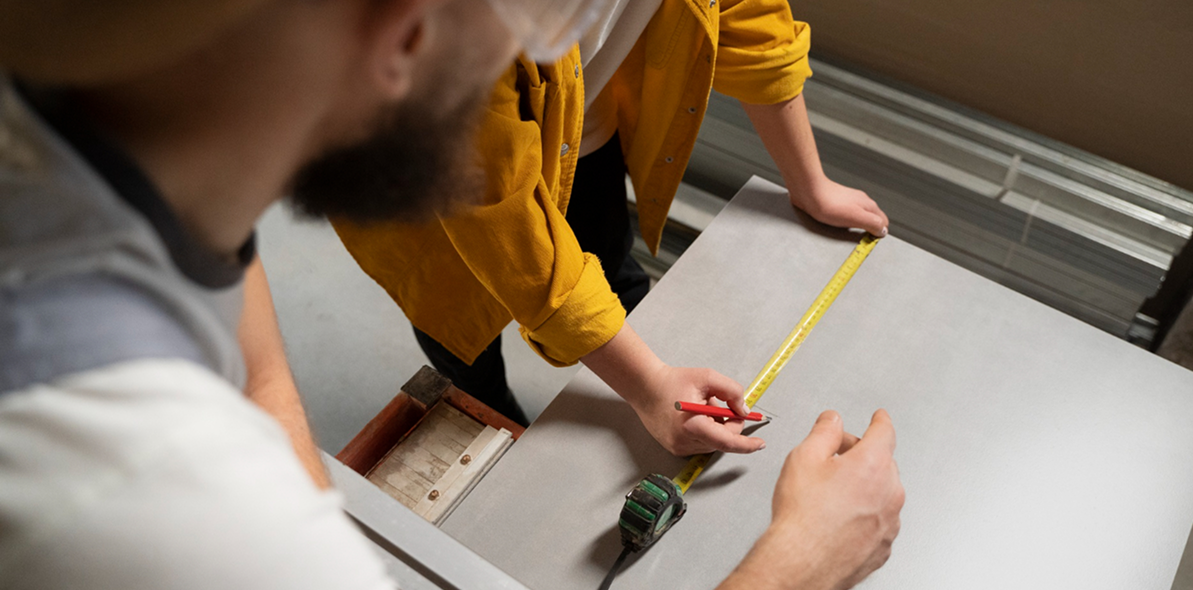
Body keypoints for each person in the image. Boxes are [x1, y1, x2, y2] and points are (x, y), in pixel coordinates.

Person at [0, 1, 903, 589]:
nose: (557, 67)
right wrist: (803, 560)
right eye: (548, 27)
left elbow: (240, 310)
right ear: (405, 33)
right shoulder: (158, 502)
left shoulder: (119, 141)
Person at [330, 0, 892, 465]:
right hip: (419, 185)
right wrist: (648, 386)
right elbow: (498, 212)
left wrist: (809, 181)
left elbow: (745, 13)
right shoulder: (450, 20)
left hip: (577, 125)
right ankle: (492, 420)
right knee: (462, 327)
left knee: (609, 258)